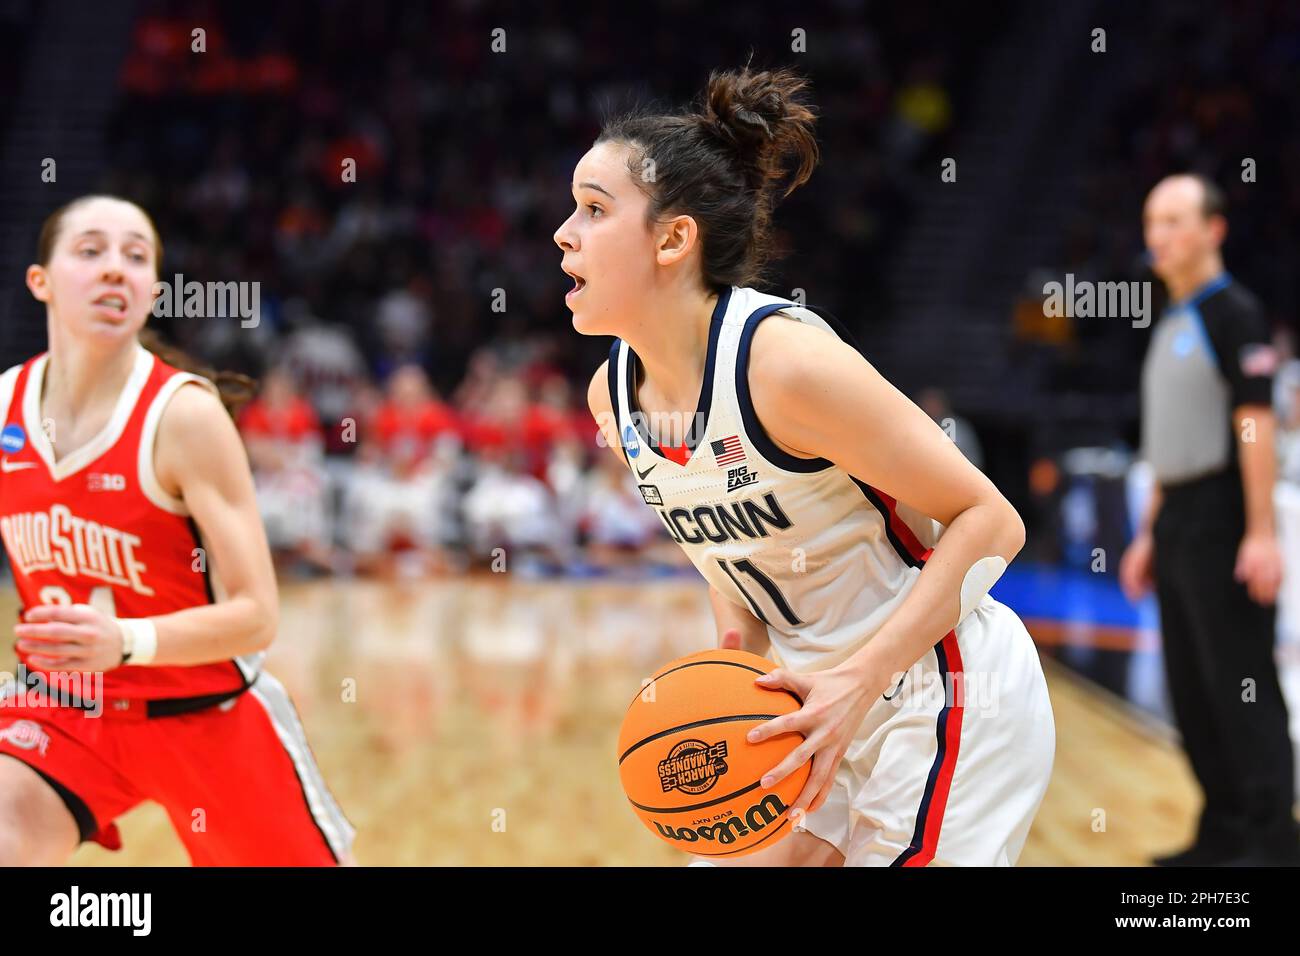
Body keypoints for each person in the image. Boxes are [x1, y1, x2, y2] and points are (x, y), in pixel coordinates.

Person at [557, 66, 1055, 866]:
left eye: (593, 208)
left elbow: (994, 521)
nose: (563, 233)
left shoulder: (783, 363)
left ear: (673, 239)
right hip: (807, 707)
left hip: (940, 687)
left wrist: (858, 680)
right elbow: (727, 556)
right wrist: (733, 663)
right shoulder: (611, 400)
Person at [0, 195, 353, 865]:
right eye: (91, 251)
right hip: (66, 712)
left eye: (136, 257)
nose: (115, 269)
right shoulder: (4, 408)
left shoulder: (184, 418)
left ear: (152, 290)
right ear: (40, 281)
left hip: (204, 711)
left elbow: (256, 615)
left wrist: (125, 640)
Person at [1119, 173, 1299, 866]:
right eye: (1151, 221)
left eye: (1173, 220)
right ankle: (1223, 833)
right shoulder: (1169, 320)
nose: (1157, 236)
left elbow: (1255, 428)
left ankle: (1273, 843)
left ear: (1213, 230)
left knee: (1241, 684)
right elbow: (1170, 439)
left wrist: (1259, 531)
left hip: (1227, 515)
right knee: (1193, 690)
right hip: (1177, 521)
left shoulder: (1236, 315)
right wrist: (1146, 535)